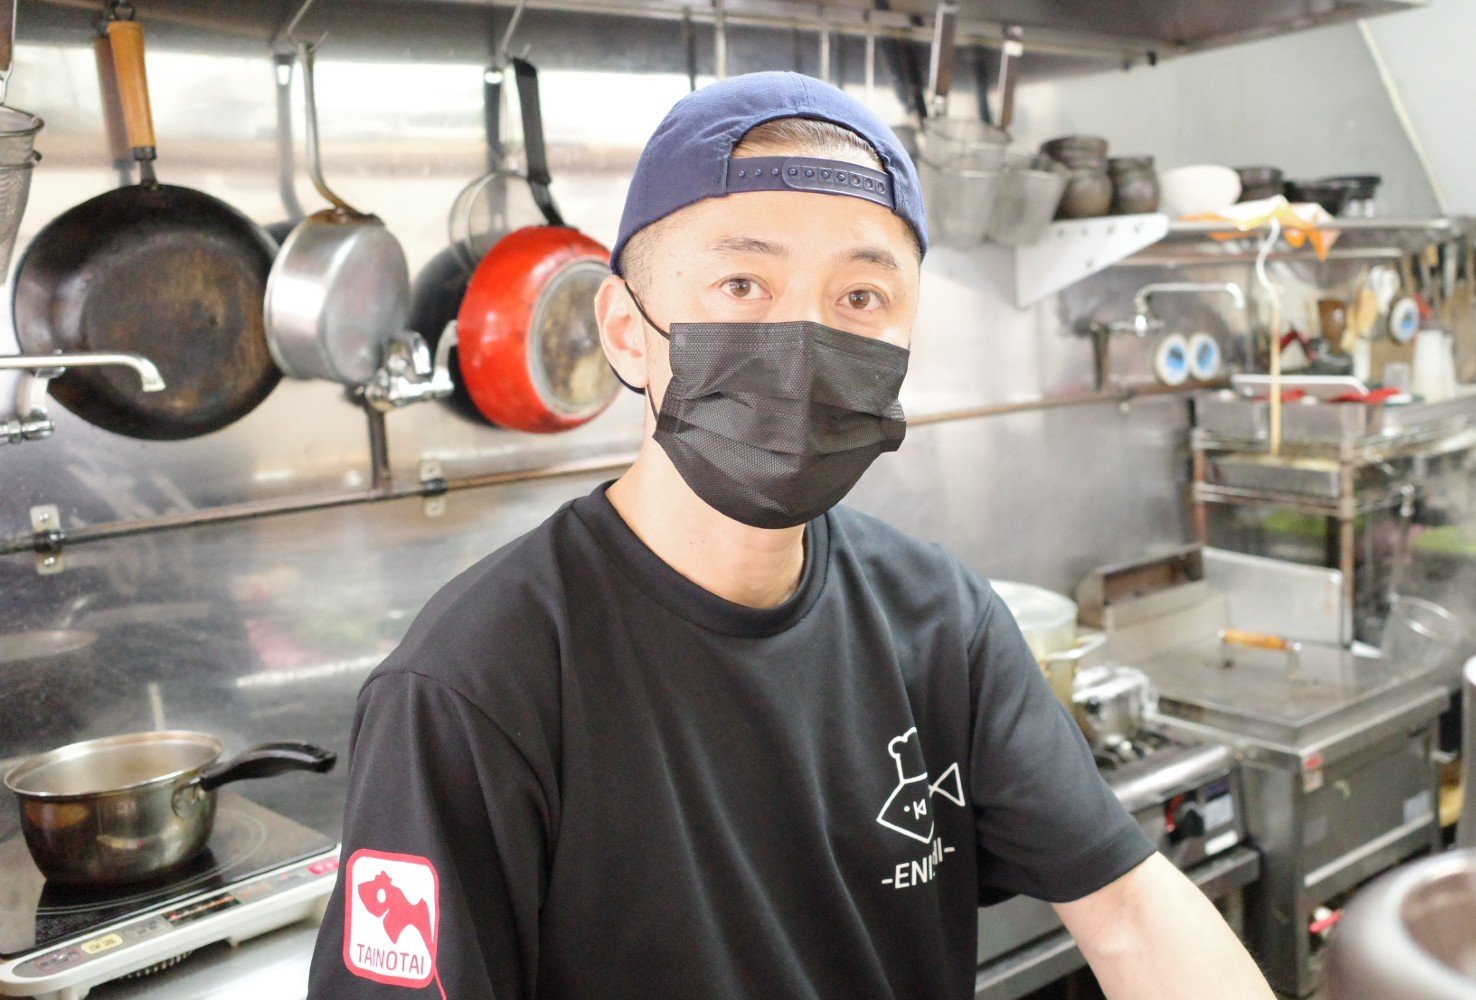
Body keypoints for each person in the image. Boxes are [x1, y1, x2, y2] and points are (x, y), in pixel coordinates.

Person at [308, 72, 1273, 1000]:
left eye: (862, 298)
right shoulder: (474, 685)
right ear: (627, 331)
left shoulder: (943, 623)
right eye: (742, 283)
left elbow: (1130, 913)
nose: (804, 346)